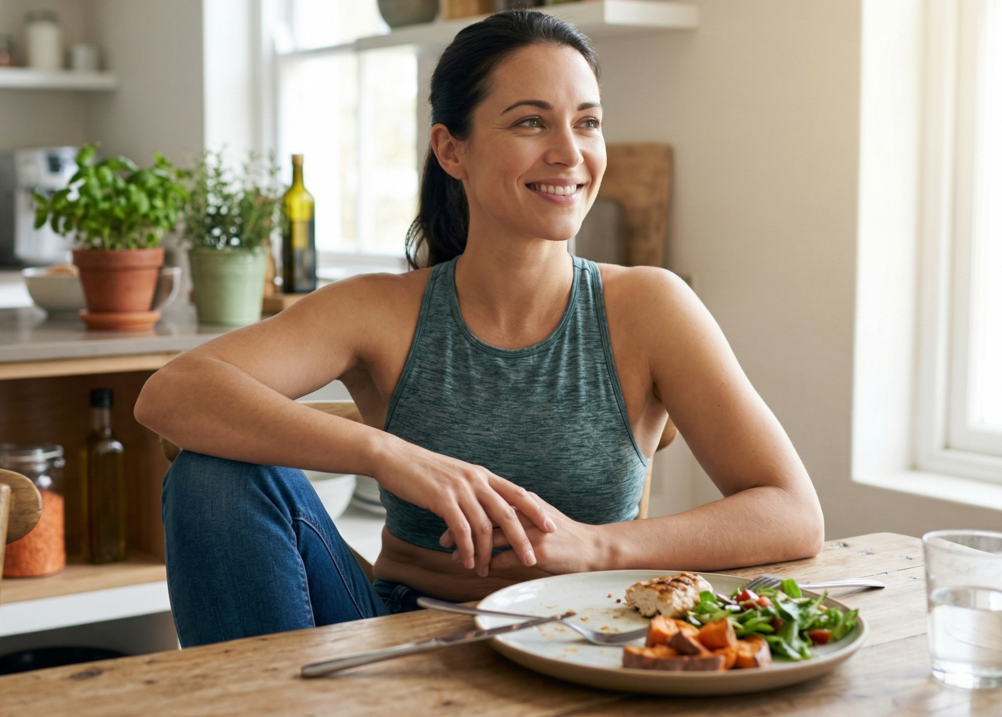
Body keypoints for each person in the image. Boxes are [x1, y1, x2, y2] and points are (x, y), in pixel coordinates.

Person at [135, 10, 824, 648]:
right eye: (531, 123)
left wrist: (596, 546)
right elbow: (171, 393)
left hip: (579, 641)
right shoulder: (380, 309)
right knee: (211, 476)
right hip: (396, 642)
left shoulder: (650, 306)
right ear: (451, 149)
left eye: (587, 122)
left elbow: (792, 511)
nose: (569, 152)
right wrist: (390, 455)